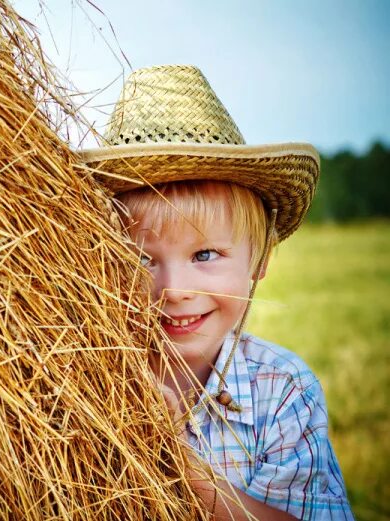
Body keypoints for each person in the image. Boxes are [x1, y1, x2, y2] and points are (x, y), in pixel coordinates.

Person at [79, 65, 353, 520]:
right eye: (142, 260)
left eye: (205, 254)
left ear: (260, 260)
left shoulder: (282, 390)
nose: (175, 290)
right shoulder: (78, 375)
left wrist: (170, 455)